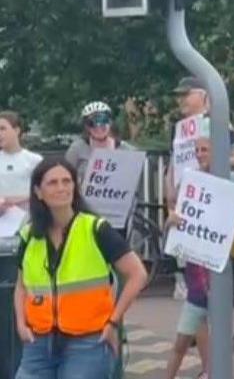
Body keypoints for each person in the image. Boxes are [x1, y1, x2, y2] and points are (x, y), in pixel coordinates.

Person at [14, 158, 147, 378]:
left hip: (87, 341)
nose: (61, 188)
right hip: (38, 341)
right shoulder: (29, 235)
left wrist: (113, 322)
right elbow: (21, 286)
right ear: (38, 192)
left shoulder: (95, 228)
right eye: (53, 183)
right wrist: (20, 324)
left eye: (67, 181)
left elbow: (137, 274)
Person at [166, 76, 234, 300]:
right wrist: (170, 197)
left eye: (185, 94)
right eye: (178, 96)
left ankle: (220, 328)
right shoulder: (179, 130)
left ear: (202, 96)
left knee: (214, 279)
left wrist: (214, 160)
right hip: (189, 208)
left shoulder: (218, 123)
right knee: (196, 283)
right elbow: (174, 166)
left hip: (213, 210)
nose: (180, 100)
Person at [65, 101, 135, 181]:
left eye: (103, 120)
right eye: (92, 123)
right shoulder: (77, 149)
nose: (98, 126)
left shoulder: (127, 150)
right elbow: (65, 175)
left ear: (110, 122)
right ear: (86, 127)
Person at [0, 111, 42, 213]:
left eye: (2, 129)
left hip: (28, 220)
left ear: (16, 130)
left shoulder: (34, 160)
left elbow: (43, 191)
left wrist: (17, 200)